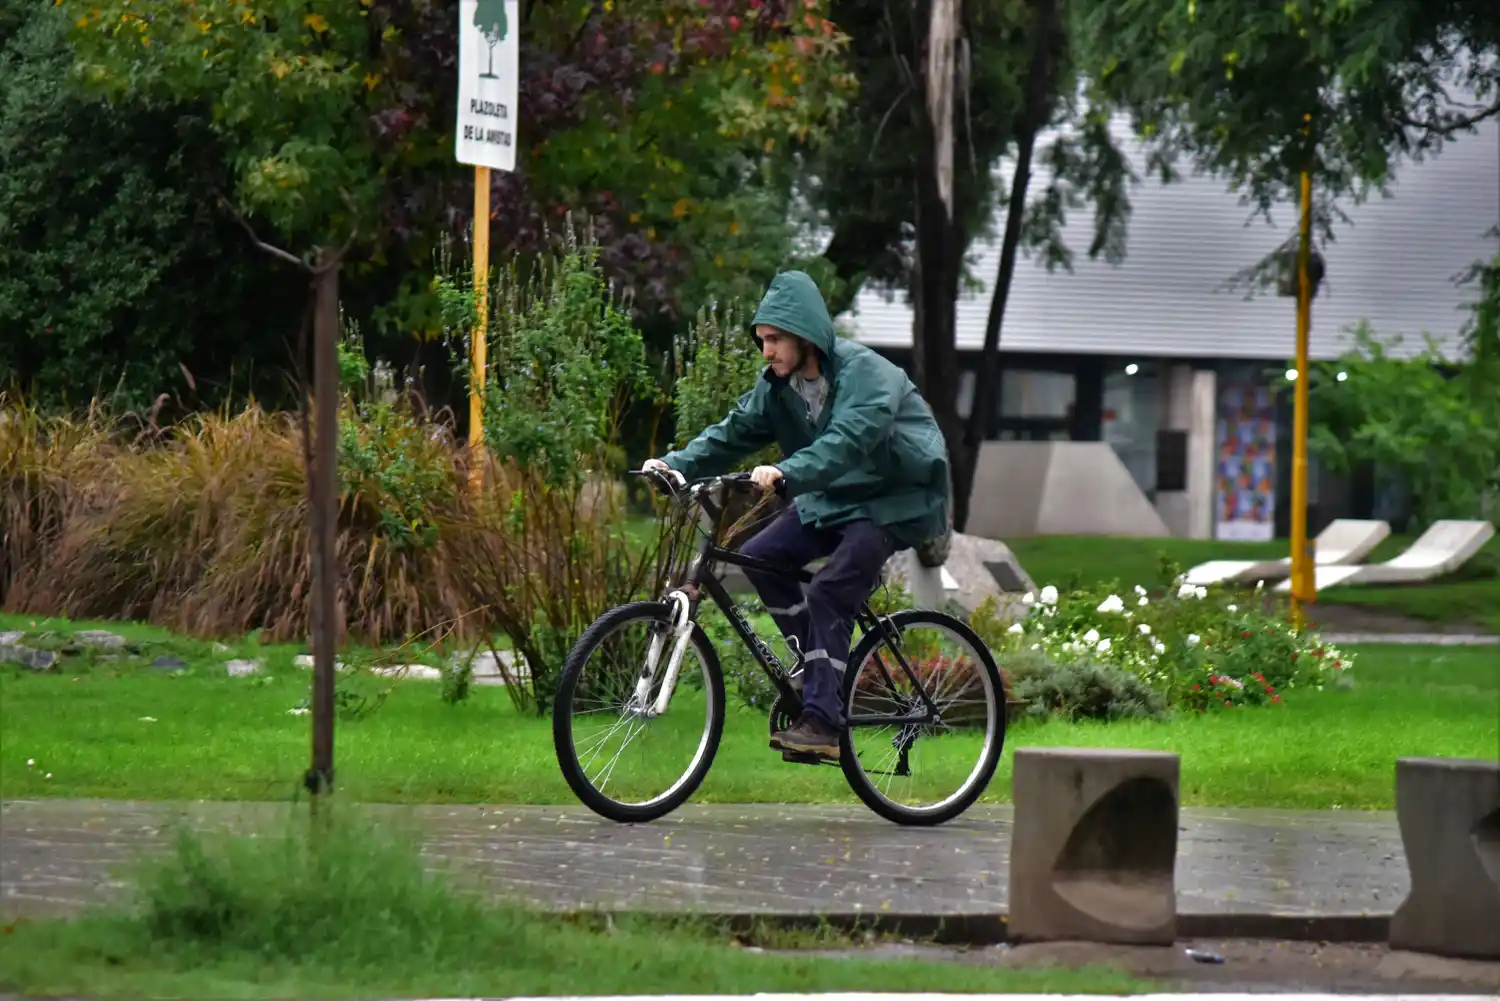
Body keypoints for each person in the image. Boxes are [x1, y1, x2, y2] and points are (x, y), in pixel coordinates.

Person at [642, 269, 951, 761]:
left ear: (805, 335)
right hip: (832, 495)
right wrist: (672, 465)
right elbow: (732, 432)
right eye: (763, 340)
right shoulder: (779, 386)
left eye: (775, 339)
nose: (766, 351)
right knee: (760, 555)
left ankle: (824, 724)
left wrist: (785, 472)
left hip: (894, 499)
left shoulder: (868, 374)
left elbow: (846, 442)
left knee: (830, 590)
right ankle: (817, 668)